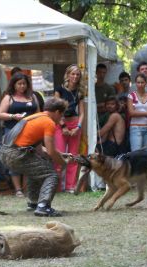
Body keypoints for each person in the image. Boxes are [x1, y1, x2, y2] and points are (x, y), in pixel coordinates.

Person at [0, 98, 68, 217]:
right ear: (57, 112)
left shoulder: (35, 117)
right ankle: (43, 207)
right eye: (62, 115)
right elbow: (51, 151)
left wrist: (61, 155)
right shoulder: (48, 122)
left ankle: (33, 203)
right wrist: (63, 163)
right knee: (51, 175)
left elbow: (41, 150)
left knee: (36, 170)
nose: (61, 119)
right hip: (16, 154)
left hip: (5, 152)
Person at [0, 72, 40, 197]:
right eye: (19, 84)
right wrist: (12, 116)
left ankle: (27, 188)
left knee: (29, 159)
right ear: (14, 84)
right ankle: (18, 189)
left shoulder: (32, 96)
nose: (22, 86)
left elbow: (38, 113)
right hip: (12, 132)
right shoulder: (8, 97)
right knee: (14, 159)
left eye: (24, 84)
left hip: (30, 132)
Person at [53, 65, 85, 193]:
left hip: (74, 123)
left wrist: (78, 126)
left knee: (73, 156)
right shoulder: (59, 89)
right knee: (60, 155)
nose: (75, 77)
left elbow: (82, 112)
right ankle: (57, 186)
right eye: (73, 74)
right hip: (61, 123)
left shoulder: (79, 91)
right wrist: (63, 125)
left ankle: (70, 186)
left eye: (77, 74)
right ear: (68, 75)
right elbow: (56, 110)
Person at [127, 73, 147, 151]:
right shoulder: (131, 96)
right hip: (135, 127)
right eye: (138, 82)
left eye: (142, 82)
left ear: (146, 83)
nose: (140, 84)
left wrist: (137, 113)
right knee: (136, 152)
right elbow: (131, 113)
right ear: (135, 83)